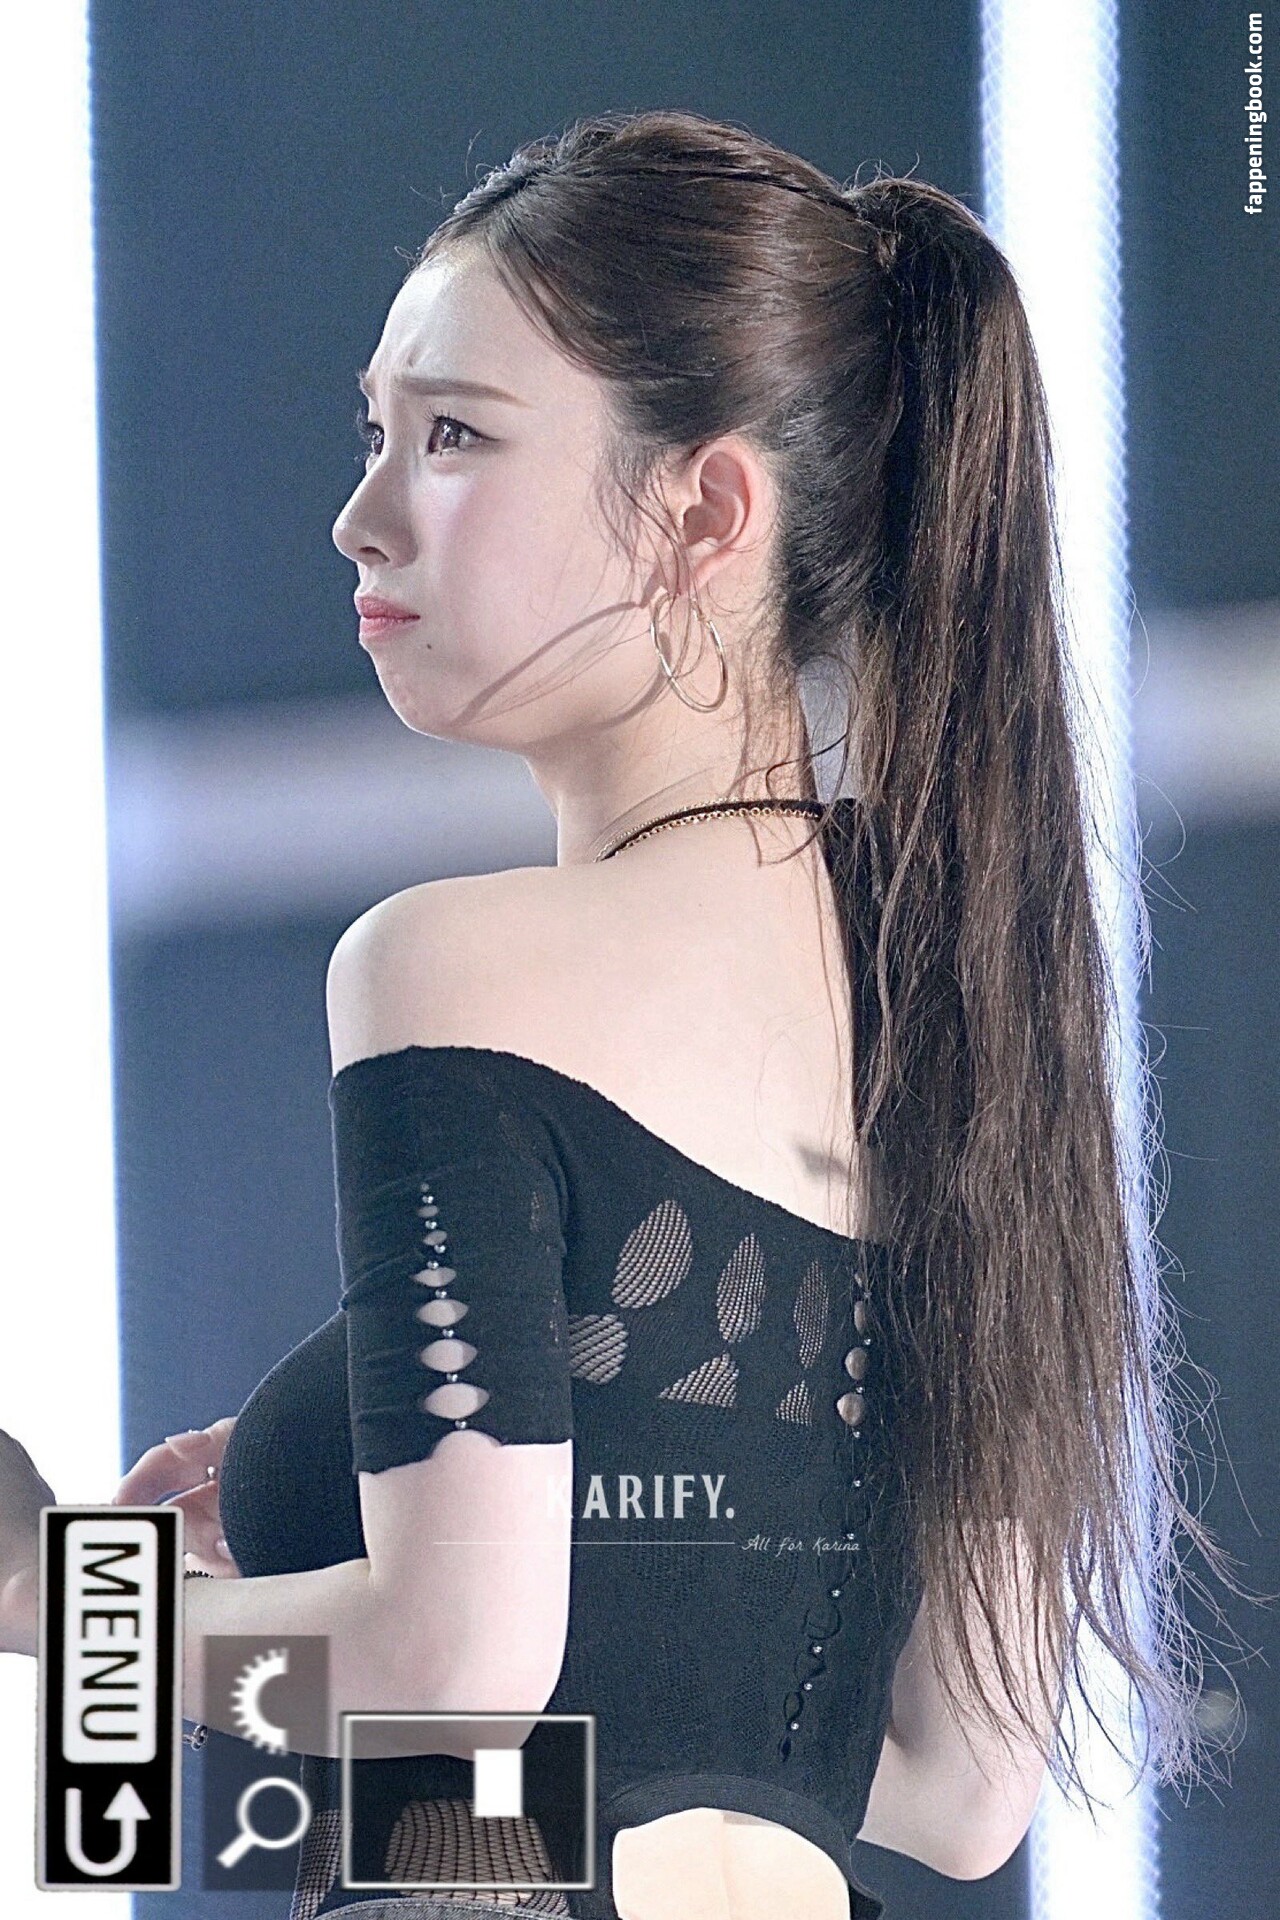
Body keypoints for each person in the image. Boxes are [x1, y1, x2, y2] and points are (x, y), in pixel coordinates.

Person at [0, 108, 1237, 1920]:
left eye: (453, 436)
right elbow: (960, 1789)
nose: (362, 514)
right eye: (374, 434)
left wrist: (65, 1606)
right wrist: (197, 1609)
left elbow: (453, 1674)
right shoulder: (956, 1014)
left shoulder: (453, 966)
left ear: (708, 509)